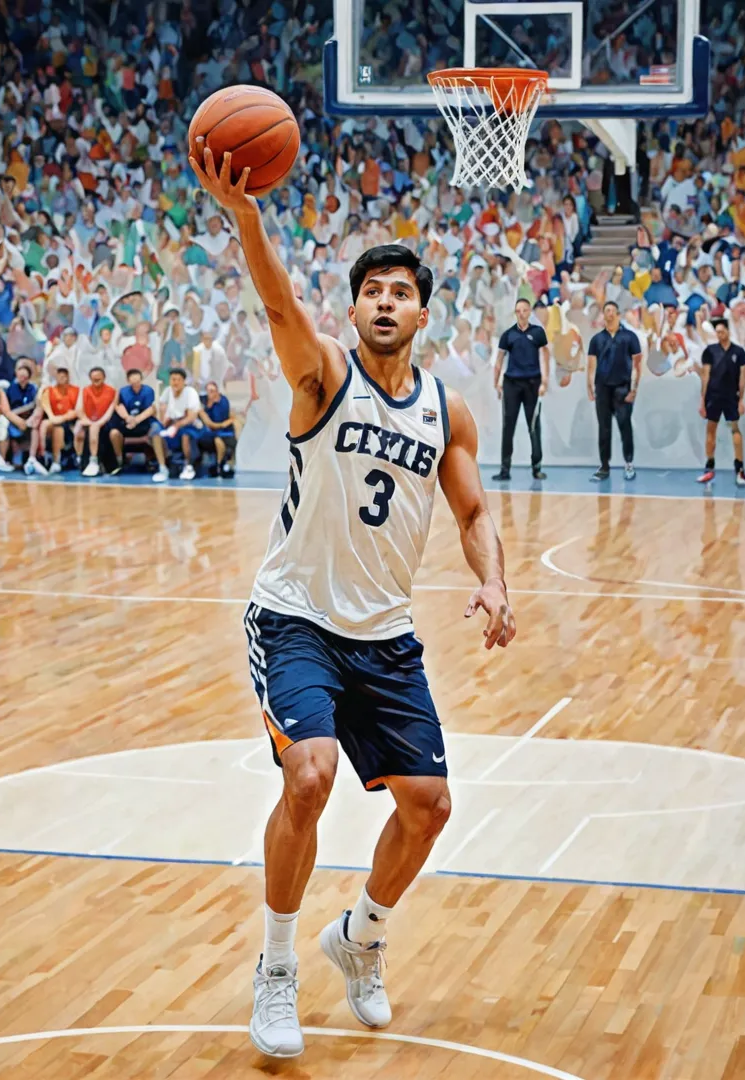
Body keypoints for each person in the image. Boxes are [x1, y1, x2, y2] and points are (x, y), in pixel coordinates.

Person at [191, 144, 515, 1060]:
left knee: (429, 805)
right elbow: (277, 303)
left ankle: (361, 940)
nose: (383, 301)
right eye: (370, 289)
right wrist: (246, 216)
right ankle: (280, 968)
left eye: (399, 292)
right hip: (295, 618)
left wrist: (494, 581)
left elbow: (475, 510)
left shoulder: (445, 412)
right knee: (312, 775)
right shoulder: (322, 373)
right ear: (355, 306)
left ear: (421, 311)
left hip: (384, 637)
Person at [491, 298, 549, 482]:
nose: (521, 313)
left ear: (529, 311)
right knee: (508, 427)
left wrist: (545, 381)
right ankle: (504, 469)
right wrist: (497, 382)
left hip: (533, 383)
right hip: (511, 384)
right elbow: (499, 359)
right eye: (518, 311)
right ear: (515, 313)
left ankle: (536, 468)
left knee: (534, 426)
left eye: (524, 310)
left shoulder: (538, 333)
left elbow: (545, 356)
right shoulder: (508, 335)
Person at [586, 301, 642, 481]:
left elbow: (637, 365)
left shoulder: (630, 337)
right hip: (602, 389)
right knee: (604, 428)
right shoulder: (596, 340)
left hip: (622, 388)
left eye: (612, 311)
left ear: (618, 315)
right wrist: (589, 386)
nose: (609, 314)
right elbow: (591, 365)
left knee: (625, 426)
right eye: (606, 311)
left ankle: (629, 463)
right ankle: (604, 466)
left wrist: (633, 389)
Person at [697, 317, 745, 486]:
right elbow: (705, 376)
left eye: (722, 331)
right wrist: (702, 400)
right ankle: (709, 468)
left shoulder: (739, 352)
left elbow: (743, 378)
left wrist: (741, 400)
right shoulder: (710, 351)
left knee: (735, 429)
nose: (719, 334)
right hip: (713, 396)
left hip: (731, 397)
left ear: (728, 331)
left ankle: (740, 470)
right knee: (710, 430)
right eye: (717, 332)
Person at [108, 368, 170, 482]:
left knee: (156, 431)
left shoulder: (148, 390)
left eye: (138, 379)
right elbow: (118, 406)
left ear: (141, 380)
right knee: (113, 433)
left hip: (144, 422)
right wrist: (127, 418)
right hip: (127, 422)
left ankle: (162, 466)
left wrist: (136, 420)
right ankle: (119, 461)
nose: (135, 382)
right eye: (133, 379)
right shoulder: (122, 391)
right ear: (128, 380)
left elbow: (151, 409)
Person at [25, 367, 79, 476]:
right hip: (53, 421)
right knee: (47, 425)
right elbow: (45, 407)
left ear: (68, 377)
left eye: (64, 376)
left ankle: (54, 460)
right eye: (59, 376)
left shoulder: (75, 391)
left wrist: (62, 418)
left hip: (69, 422)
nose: (61, 379)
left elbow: (75, 412)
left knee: (57, 427)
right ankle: (44, 457)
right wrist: (52, 417)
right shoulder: (49, 391)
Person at [158, 367, 203, 480]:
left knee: (185, 435)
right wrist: (164, 423)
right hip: (172, 424)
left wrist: (176, 425)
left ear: (184, 381)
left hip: (190, 425)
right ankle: (163, 468)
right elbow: (162, 408)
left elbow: (192, 416)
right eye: (173, 379)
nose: (175, 382)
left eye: (178, 379)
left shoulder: (190, 392)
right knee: (158, 434)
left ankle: (189, 466)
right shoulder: (167, 391)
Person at [0, 360, 38, 472]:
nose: (22, 377)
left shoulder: (33, 389)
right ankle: (2, 459)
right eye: (20, 374)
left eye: (25, 375)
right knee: (3, 421)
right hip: (12, 419)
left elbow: (34, 406)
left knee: (35, 425)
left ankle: (32, 460)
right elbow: (5, 410)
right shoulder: (10, 389)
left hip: (29, 420)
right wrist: (15, 418)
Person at [75, 366, 118, 477]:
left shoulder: (112, 391)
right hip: (90, 421)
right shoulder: (85, 390)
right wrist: (87, 421)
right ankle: (80, 460)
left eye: (99, 378)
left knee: (95, 430)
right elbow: (79, 410)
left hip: (106, 422)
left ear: (104, 377)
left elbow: (110, 411)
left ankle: (94, 460)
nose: (96, 380)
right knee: (79, 429)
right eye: (94, 378)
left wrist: (97, 424)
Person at [198, 380, 238, 478]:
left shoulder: (224, 401)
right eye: (209, 391)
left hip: (225, 431)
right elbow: (209, 423)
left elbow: (231, 417)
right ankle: (219, 465)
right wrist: (221, 425)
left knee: (232, 442)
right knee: (218, 441)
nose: (211, 393)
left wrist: (227, 423)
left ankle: (228, 466)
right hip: (209, 432)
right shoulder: (203, 403)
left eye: (213, 391)